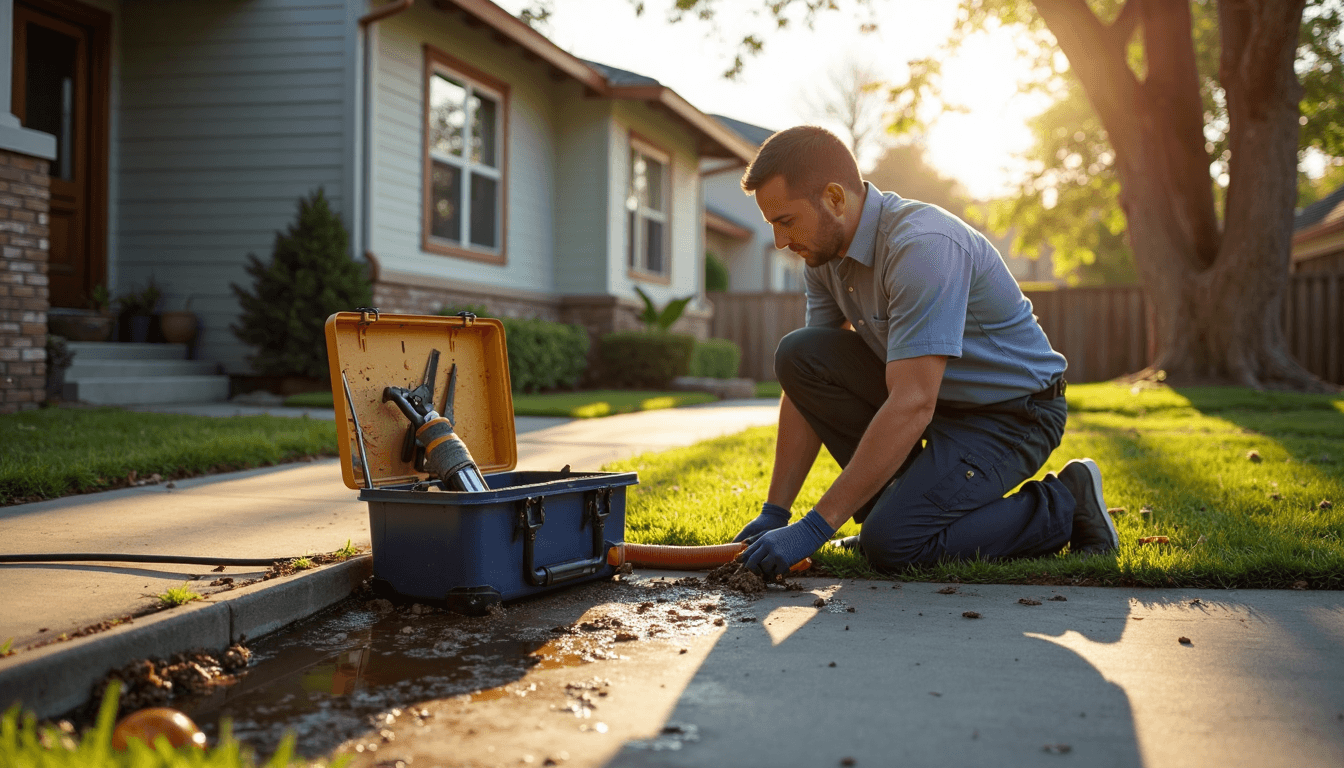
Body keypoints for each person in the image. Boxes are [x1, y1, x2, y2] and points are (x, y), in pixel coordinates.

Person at [732, 126, 1118, 580]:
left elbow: (913, 401)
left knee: (893, 545)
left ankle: (1067, 503)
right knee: (800, 353)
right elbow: (808, 381)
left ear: (835, 198)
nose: (780, 241)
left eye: (786, 222)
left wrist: (814, 528)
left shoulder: (922, 249)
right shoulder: (825, 256)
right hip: (939, 408)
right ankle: (899, 514)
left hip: (1013, 414)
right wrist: (776, 511)